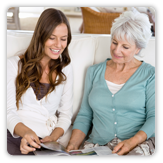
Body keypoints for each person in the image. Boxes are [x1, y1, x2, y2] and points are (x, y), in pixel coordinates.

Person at [67, 10, 155, 156]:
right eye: (114, 42)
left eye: (125, 47)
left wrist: (131, 142)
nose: (116, 50)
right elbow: (84, 115)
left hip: (137, 144)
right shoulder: (94, 71)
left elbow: (155, 116)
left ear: (138, 48)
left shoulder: (150, 74)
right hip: (98, 144)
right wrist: (72, 145)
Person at [7, 8, 73, 155]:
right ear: (41, 36)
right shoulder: (12, 65)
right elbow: (7, 112)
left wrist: (52, 138)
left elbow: (66, 114)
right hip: (13, 135)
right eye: (52, 37)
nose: (58, 45)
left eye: (63, 39)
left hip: (45, 142)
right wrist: (26, 133)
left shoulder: (66, 69)